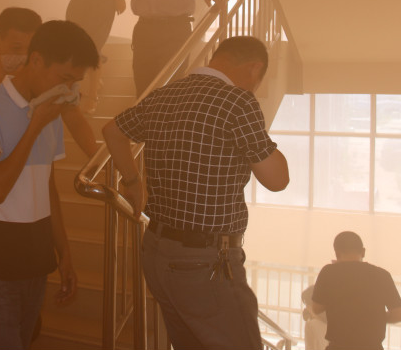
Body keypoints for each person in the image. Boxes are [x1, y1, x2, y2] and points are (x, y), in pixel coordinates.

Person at [102, 36, 290, 350]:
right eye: (258, 81)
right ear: (254, 68)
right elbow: (277, 179)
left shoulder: (164, 94)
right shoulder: (238, 101)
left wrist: (133, 182)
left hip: (157, 253)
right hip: (205, 263)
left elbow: (112, 131)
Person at [0, 9, 98, 349]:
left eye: (74, 82)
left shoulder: (50, 109)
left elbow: (48, 189)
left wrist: (64, 252)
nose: (68, 89)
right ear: (37, 60)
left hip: (35, 256)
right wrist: (35, 124)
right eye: (64, 78)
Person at [0, 7, 98, 153]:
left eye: (30, 49)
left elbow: (74, 119)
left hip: (36, 158)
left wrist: (97, 159)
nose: (25, 56)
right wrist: (6, 89)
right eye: (16, 48)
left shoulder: (46, 75)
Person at [310, 231, 401, 350]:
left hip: (339, 346)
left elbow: (316, 308)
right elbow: (399, 315)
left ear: (337, 253)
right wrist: (374, 317)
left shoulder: (328, 272)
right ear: (363, 251)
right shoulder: (382, 275)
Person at [302, 285, 329, 350]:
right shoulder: (334, 322)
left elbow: (309, 348)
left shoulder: (311, 325)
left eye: (307, 304)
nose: (306, 308)